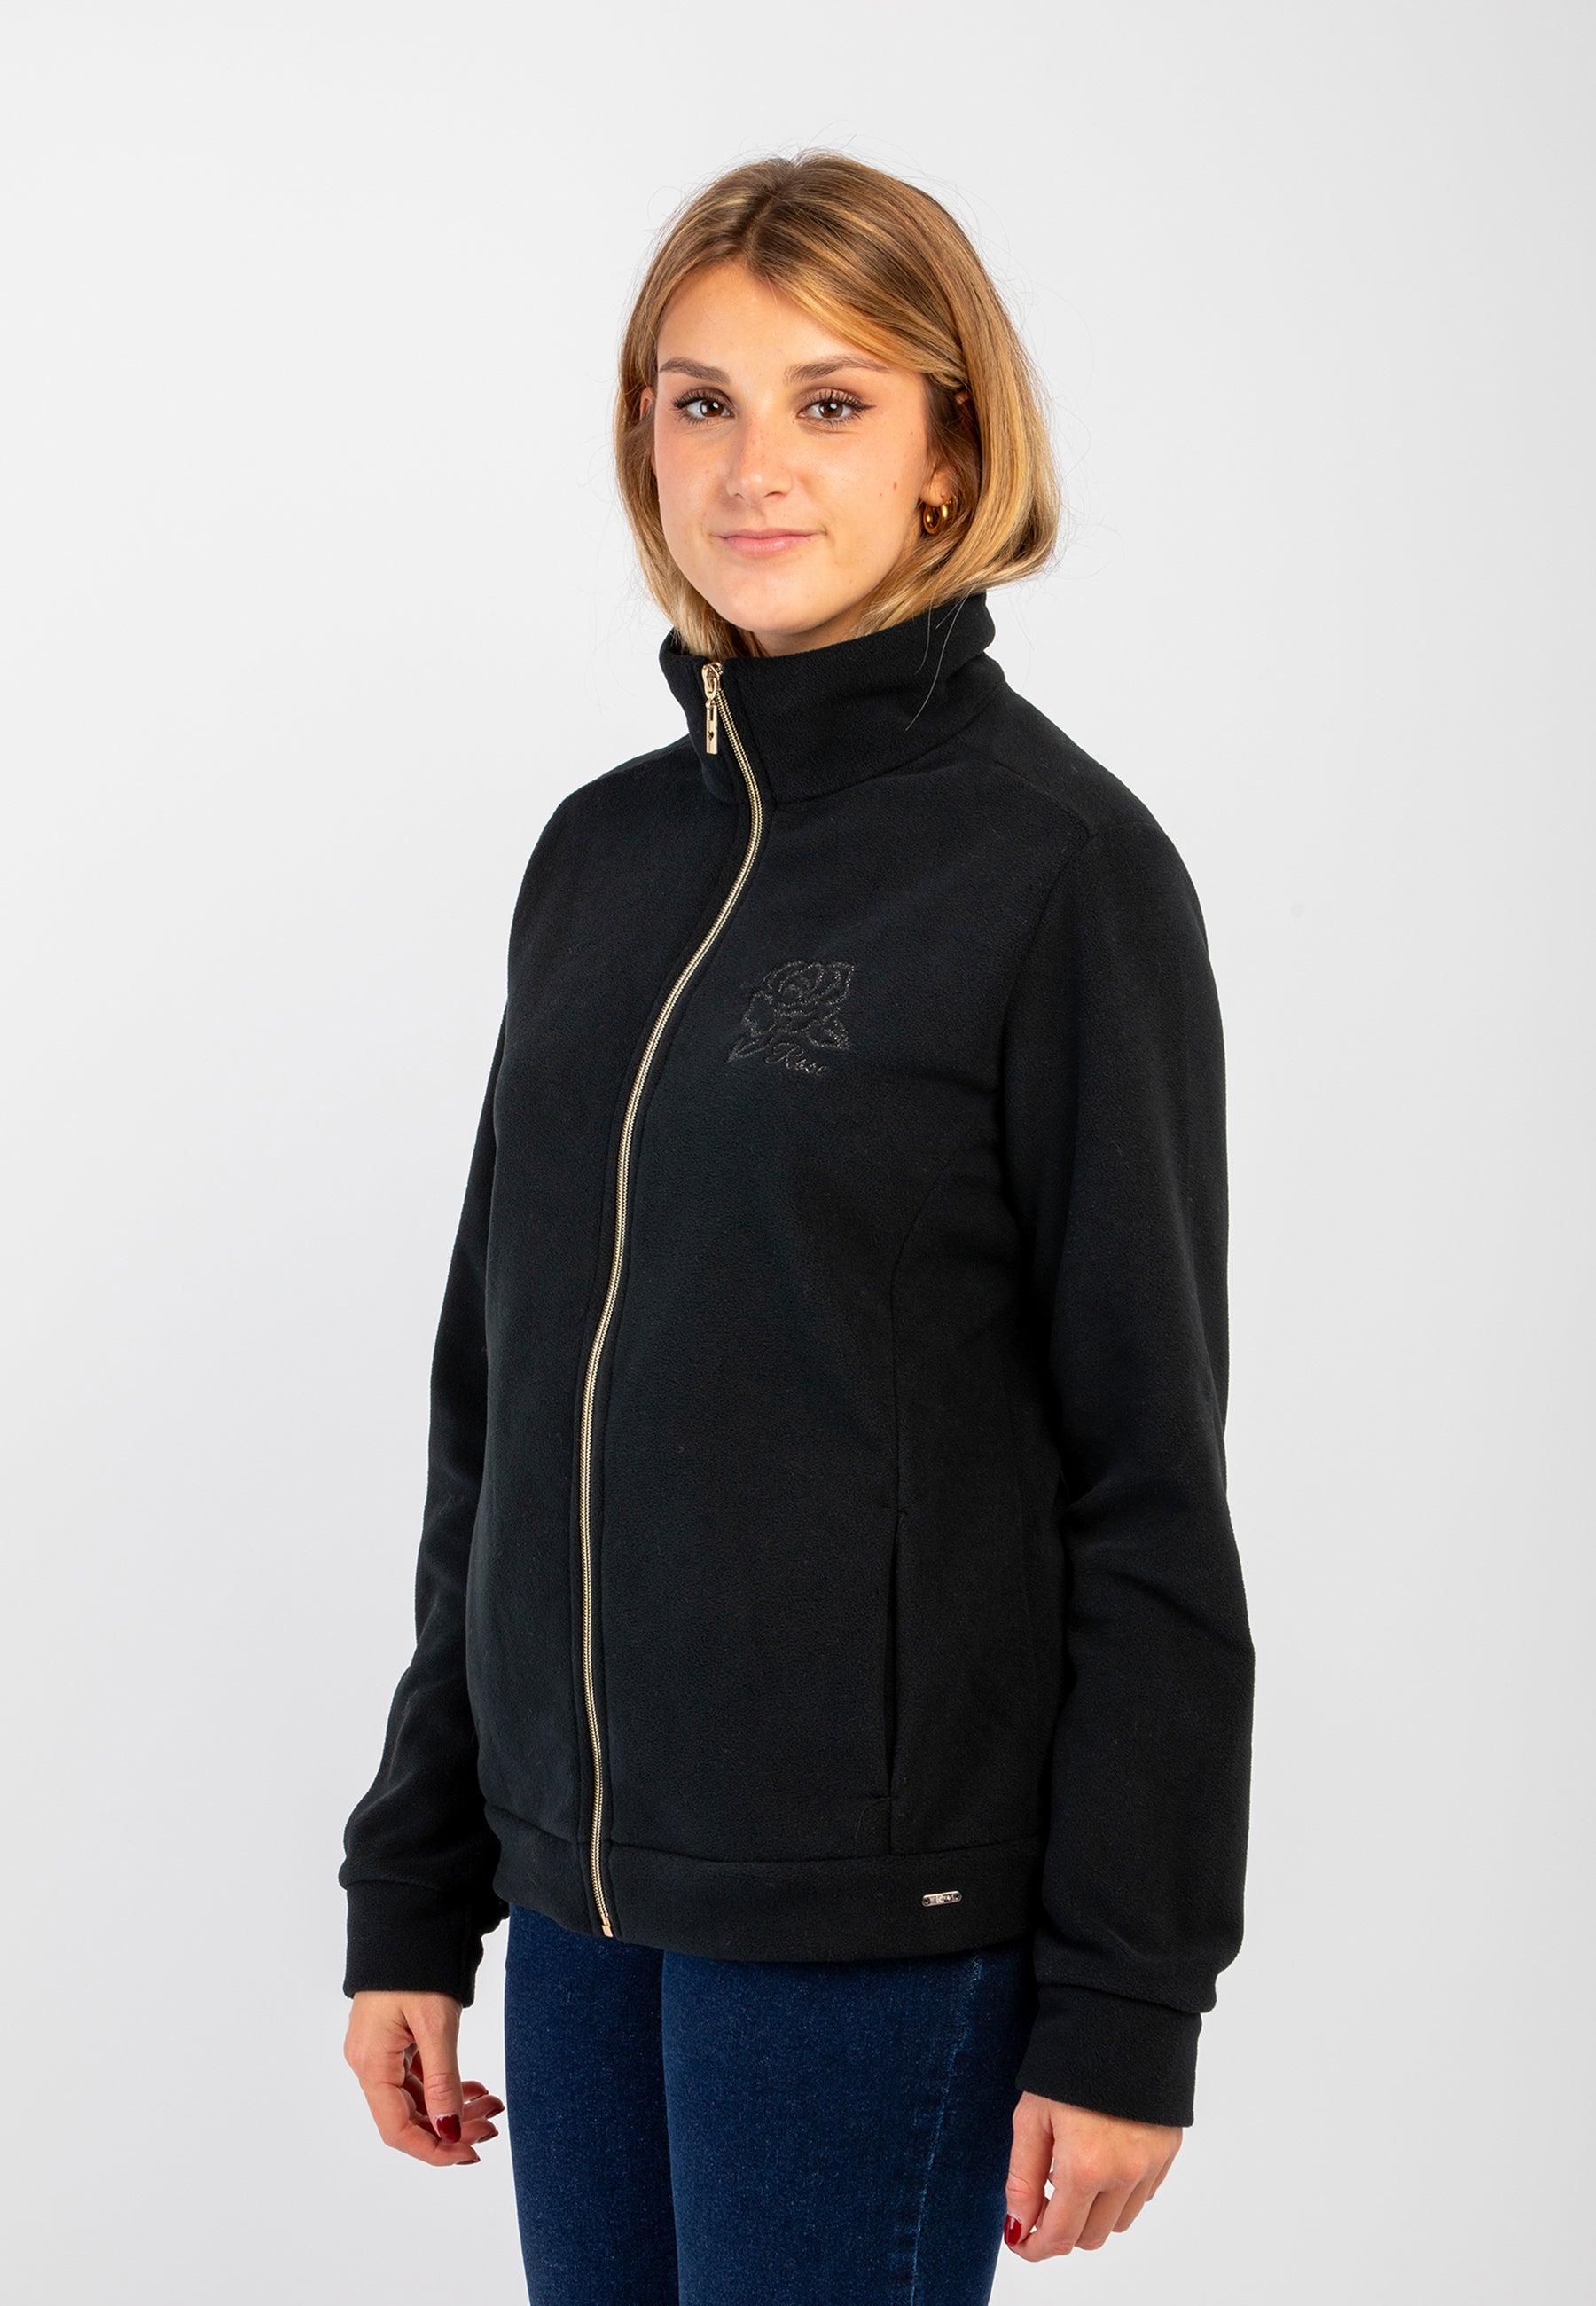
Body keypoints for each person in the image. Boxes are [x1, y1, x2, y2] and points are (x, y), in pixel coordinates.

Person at [339, 150, 1253, 2306]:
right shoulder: (598, 860)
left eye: (832, 402)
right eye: (701, 401)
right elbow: (500, 1415)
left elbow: (1145, 1479)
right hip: (584, 1906)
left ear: (950, 452)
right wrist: (418, 1883)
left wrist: (1132, 1997)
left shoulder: (1058, 875)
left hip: (873, 1925)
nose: (753, 467)